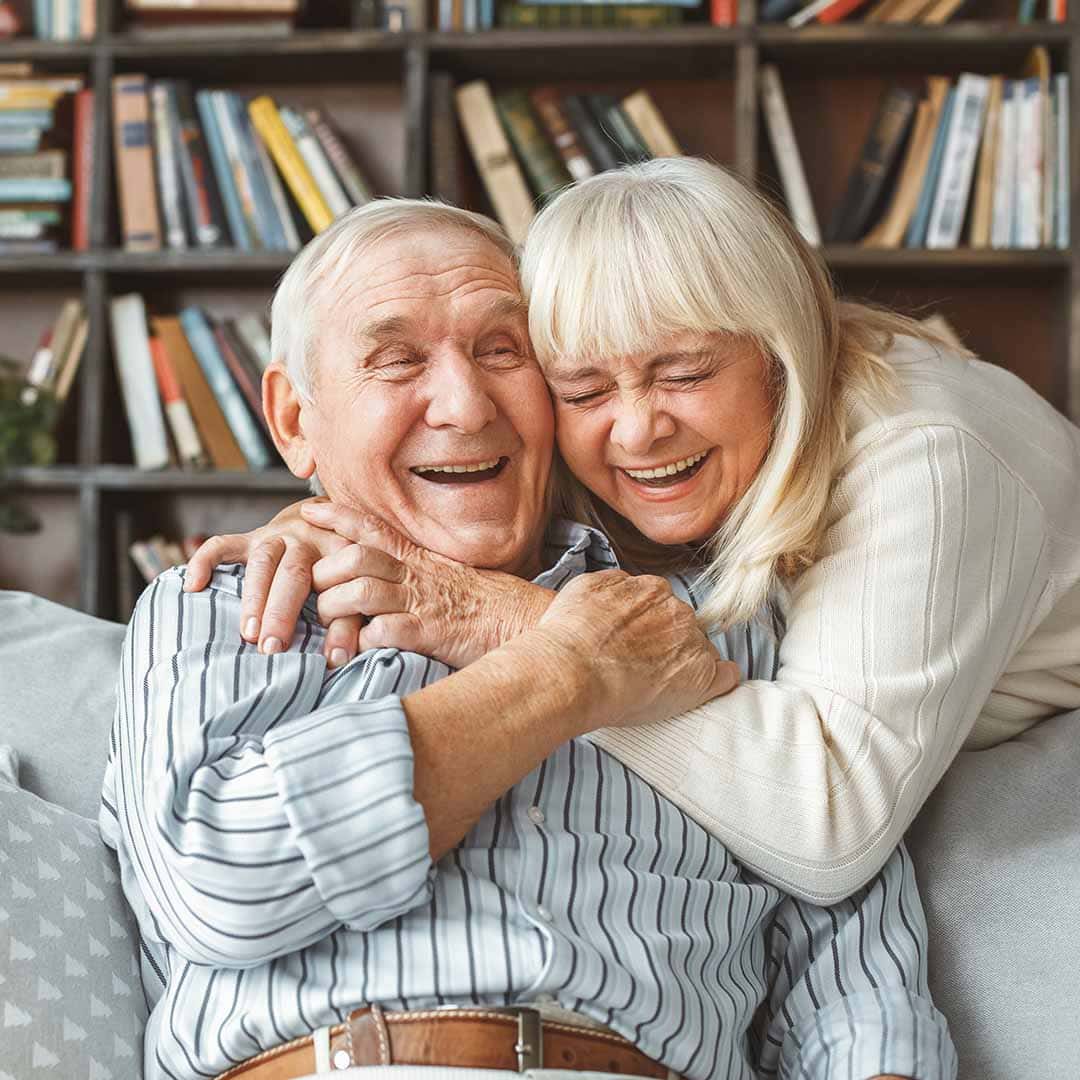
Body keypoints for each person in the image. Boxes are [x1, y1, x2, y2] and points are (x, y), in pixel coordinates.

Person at [110, 198, 954, 1080]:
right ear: (293, 420)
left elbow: (857, 984)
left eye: (503, 350)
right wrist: (570, 670)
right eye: (396, 361)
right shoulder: (226, 607)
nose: (466, 404)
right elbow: (223, 885)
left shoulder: (718, 625)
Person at [193, 157, 1080, 909]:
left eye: (685, 372)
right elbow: (455, 487)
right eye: (579, 391)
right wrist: (324, 520)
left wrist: (516, 624)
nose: (635, 431)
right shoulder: (660, 452)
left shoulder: (928, 453)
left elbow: (830, 827)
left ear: (784, 354)